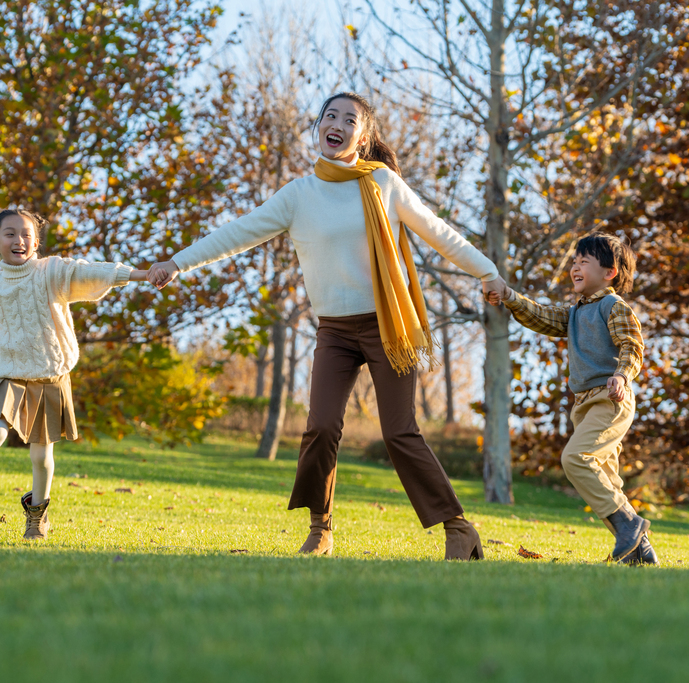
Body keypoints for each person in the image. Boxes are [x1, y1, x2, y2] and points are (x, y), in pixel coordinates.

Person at [148, 92, 508, 560]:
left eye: (349, 119)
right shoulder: (299, 195)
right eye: (329, 116)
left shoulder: (383, 183)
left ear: (364, 136)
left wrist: (487, 271)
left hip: (387, 327)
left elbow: (436, 230)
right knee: (319, 425)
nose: (335, 124)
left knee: (399, 432)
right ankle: (322, 528)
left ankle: (458, 528)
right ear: (319, 127)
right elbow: (237, 232)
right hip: (334, 332)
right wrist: (178, 262)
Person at [0, 209, 149, 540]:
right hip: (7, 372)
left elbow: (93, 271)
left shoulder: (52, 273)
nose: (20, 240)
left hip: (49, 372)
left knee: (41, 455)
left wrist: (143, 275)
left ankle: (37, 517)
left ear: (36, 242)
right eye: (10, 234)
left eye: (27, 235)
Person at [500, 232, 658, 565]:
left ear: (609, 272)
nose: (575, 267)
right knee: (607, 480)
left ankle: (629, 524)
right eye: (574, 261)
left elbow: (633, 345)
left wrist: (621, 375)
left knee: (575, 458)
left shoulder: (612, 306)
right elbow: (540, 316)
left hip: (610, 399)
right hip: (584, 405)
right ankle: (641, 555)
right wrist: (508, 296)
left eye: (584, 261)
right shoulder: (574, 314)